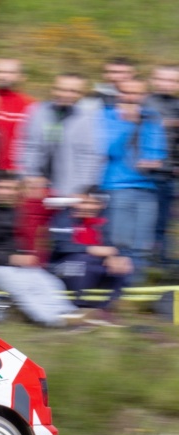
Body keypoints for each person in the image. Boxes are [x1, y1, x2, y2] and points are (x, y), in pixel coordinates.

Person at [0, 174, 82, 327]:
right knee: (22, 286)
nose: (4, 192)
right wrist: (12, 259)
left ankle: (69, 314)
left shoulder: (20, 210)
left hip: (18, 266)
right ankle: (51, 320)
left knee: (50, 283)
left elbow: (47, 200)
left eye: (9, 188)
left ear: (18, 191)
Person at [101, 78, 166, 283]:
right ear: (118, 94)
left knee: (141, 242)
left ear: (144, 95)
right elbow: (108, 149)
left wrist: (154, 161)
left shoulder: (151, 118)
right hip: (117, 186)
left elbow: (158, 151)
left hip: (147, 188)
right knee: (119, 241)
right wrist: (127, 125)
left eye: (136, 93)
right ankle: (114, 286)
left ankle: (132, 287)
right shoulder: (107, 117)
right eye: (127, 92)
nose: (131, 97)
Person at [17, 73, 105, 200]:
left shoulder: (88, 118)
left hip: (70, 191)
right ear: (53, 89)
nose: (66, 95)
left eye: (73, 91)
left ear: (81, 94)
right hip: (36, 186)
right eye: (61, 89)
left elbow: (90, 156)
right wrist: (27, 175)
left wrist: (84, 189)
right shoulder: (37, 111)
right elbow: (28, 145)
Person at [50, 188, 131, 317]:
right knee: (83, 260)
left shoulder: (102, 223)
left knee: (121, 263)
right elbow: (60, 246)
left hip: (89, 266)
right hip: (59, 268)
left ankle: (105, 309)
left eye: (94, 203)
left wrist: (112, 257)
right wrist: (91, 249)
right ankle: (78, 308)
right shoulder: (63, 218)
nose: (89, 207)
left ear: (101, 205)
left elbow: (110, 247)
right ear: (76, 202)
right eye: (84, 202)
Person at [146, 65, 179, 264]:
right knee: (144, 220)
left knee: (165, 221)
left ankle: (164, 264)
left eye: (173, 80)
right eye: (163, 79)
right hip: (146, 173)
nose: (167, 84)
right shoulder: (144, 103)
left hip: (171, 175)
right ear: (154, 80)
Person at [0, 58, 33, 172]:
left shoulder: (30, 106)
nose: (2, 76)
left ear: (21, 77)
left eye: (9, 73)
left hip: (14, 173)